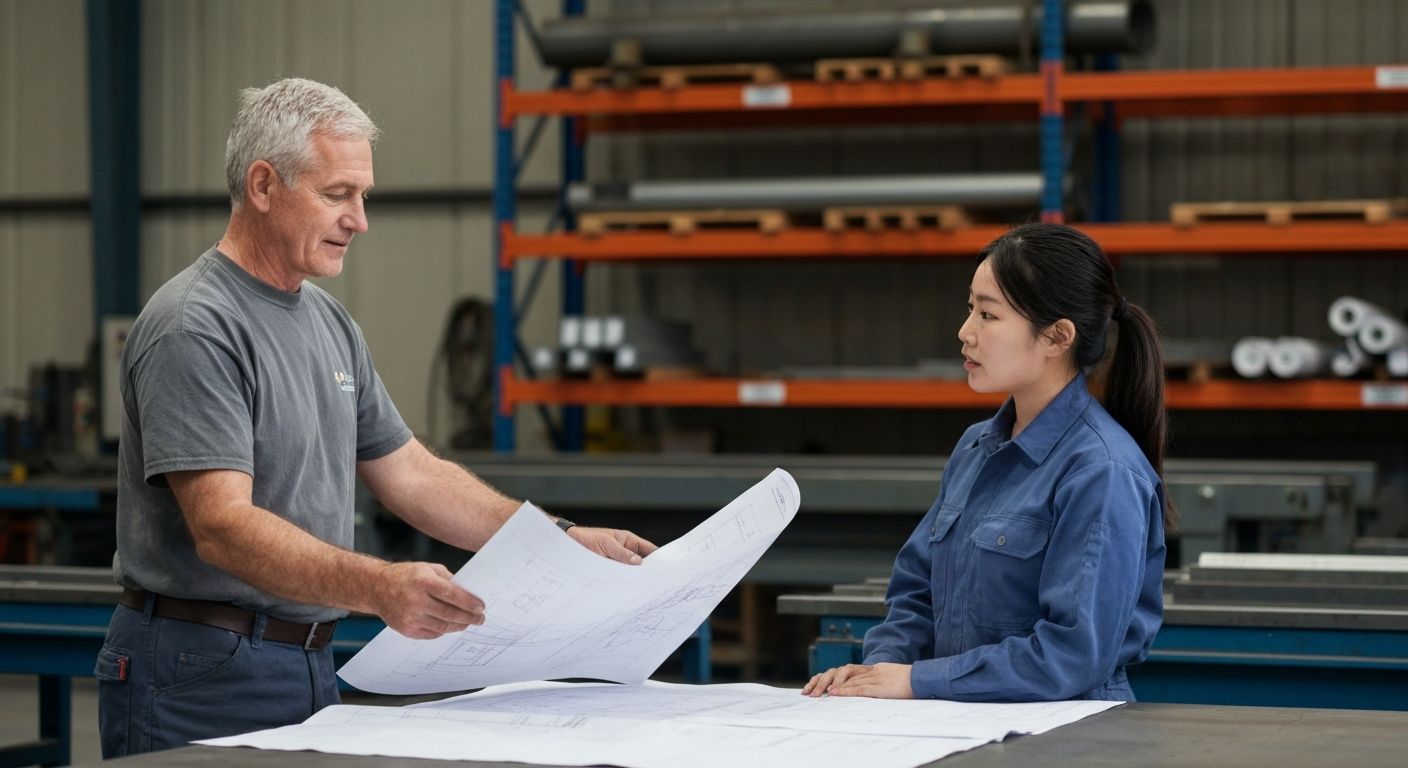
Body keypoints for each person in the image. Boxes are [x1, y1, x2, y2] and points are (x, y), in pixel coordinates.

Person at [96, 77, 657, 757]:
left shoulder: (326, 320)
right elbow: (221, 527)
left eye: (362, 196)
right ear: (264, 185)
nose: (359, 219)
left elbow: (412, 475)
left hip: (303, 659)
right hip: (200, 668)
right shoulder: (196, 325)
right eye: (338, 195)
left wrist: (559, 538)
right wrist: (379, 585)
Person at [804, 223, 1171, 702]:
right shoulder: (977, 447)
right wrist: (878, 673)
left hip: (1066, 734)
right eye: (969, 308)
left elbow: (1073, 655)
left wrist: (917, 681)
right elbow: (917, 591)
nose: (965, 332)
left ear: (1058, 336)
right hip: (959, 722)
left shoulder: (1101, 472)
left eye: (988, 315)